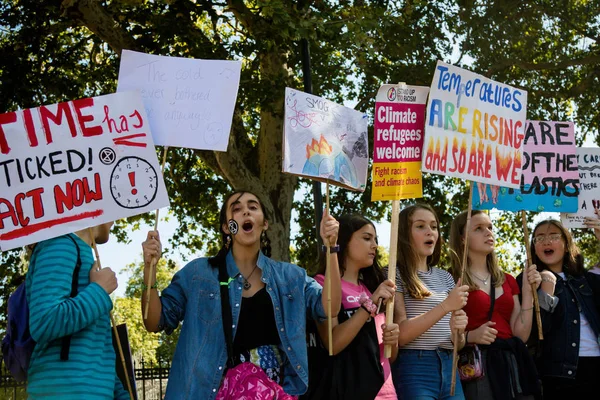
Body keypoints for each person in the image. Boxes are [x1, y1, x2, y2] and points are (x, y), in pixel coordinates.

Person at [141, 191, 341, 399]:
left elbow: (330, 307)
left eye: (253, 207)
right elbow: (154, 321)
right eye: (236, 208)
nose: (246, 210)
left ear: (264, 224)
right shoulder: (197, 275)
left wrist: (332, 249)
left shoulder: (291, 277)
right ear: (227, 227)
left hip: (274, 393)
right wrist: (149, 268)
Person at [26, 222, 128, 399]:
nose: (116, 219)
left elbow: (94, 348)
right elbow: (43, 321)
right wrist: (99, 290)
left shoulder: (82, 251)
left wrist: (118, 394)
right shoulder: (60, 244)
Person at [302, 214, 399, 400]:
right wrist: (369, 305)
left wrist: (393, 341)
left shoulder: (372, 287)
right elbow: (333, 344)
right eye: (366, 238)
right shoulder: (322, 285)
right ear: (344, 240)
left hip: (386, 392)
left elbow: (388, 356)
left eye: (375, 239)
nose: (375, 245)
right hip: (347, 390)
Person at [449, 210, 541, 400]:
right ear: (463, 239)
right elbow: (444, 333)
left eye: (490, 227)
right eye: (479, 228)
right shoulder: (451, 279)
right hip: (477, 367)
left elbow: (521, 334)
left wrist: (528, 292)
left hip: (512, 364)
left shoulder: (507, 279)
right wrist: (470, 335)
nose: (488, 232)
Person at [391, 204, 469, 400]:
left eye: (434, 227)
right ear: (403, 234)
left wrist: (458, 332)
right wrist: (445, 307)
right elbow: (401, 335)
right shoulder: (394, 273)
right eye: (420, 226)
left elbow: (458, 342)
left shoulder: (446, 277)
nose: (430, 232)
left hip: (450, 365)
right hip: (415, 366)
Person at [524, 209, 600, 399]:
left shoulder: (587, 279)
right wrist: (545, 292)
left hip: (595, 367)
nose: (546, 241)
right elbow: (536, 332)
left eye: (554, 236)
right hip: (558, 375)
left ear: (566, 245)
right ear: (533, 248)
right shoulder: (528, 280)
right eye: (539, 238)